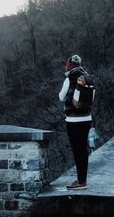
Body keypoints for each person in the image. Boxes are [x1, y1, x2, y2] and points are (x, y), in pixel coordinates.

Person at [58, 54, 92, 190]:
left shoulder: (69, 78)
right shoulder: (87, 76)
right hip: (87, 118)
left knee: (77, 150)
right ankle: (82, 179)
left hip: (73, 120)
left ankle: (81, 182)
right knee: (83, 150)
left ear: (70, 65)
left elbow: (61, 97)